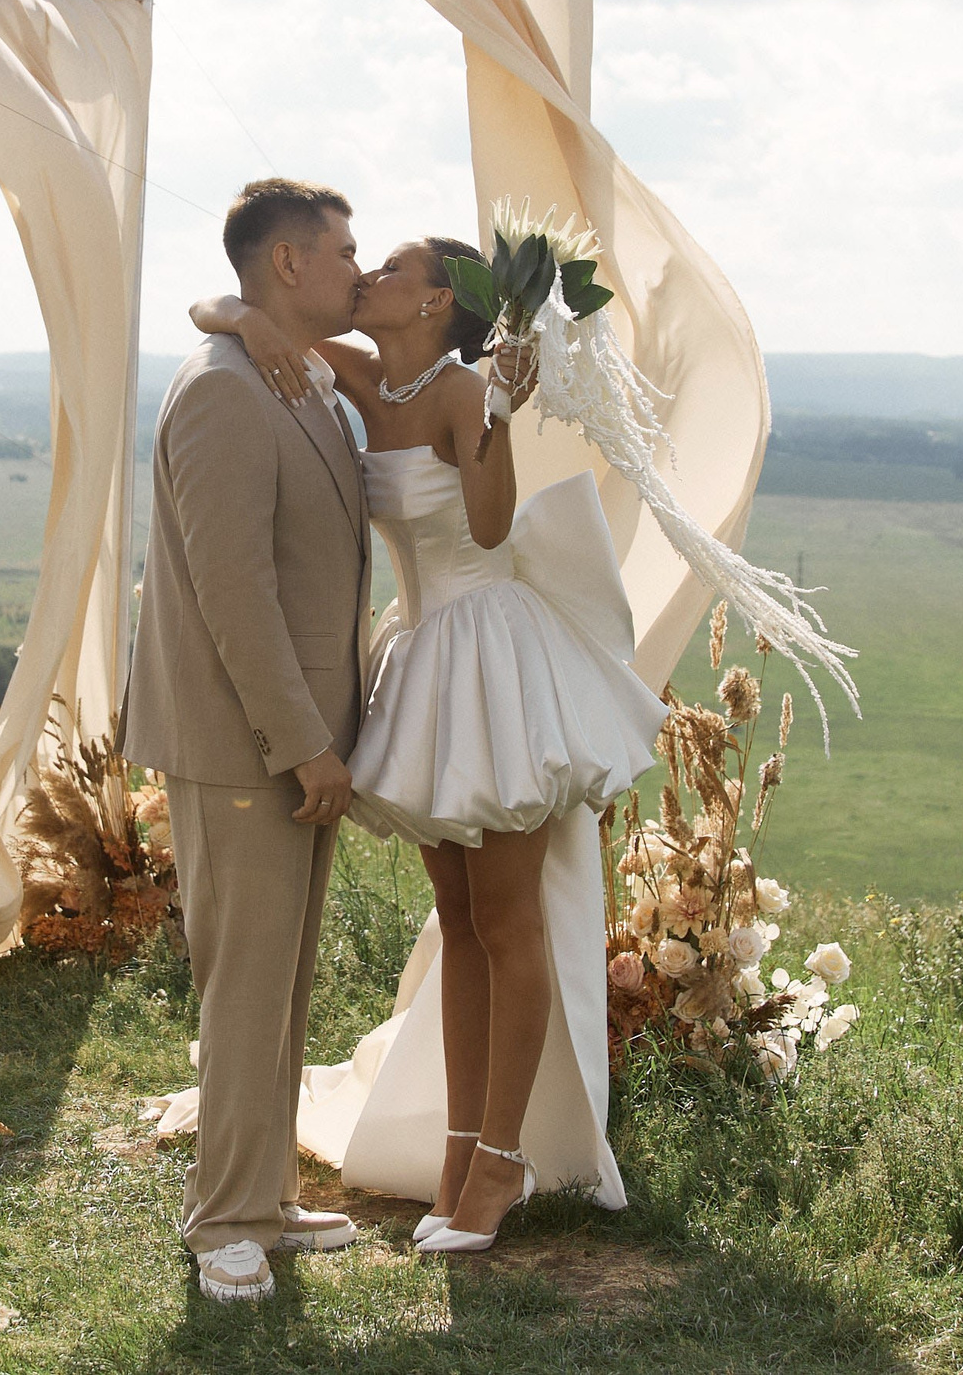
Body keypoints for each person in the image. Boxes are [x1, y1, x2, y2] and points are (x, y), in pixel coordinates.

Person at [191, 234, 665, 1252]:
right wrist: (233, 317)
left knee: (505, 920)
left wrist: (495, 411)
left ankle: (501, 1164)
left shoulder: (459, 389)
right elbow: (227, 314)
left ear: (438, 299)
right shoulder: (362, 371)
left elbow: (490, 530)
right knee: (457, 922)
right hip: (422, 654)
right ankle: (459, 1150)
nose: (369, 278)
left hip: (489, 655)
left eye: (393, 270)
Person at [119, 178, 371, 1304]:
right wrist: (301, 740)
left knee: (281, 982)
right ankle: (220, 1217)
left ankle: (263, 1196)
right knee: (241, 983)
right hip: (245, 744)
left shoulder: (288, 370)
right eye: (344, 253)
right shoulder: (225, 389)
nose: (359, 272)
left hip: (296, 741)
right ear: (286, 264)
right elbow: (235, 590)